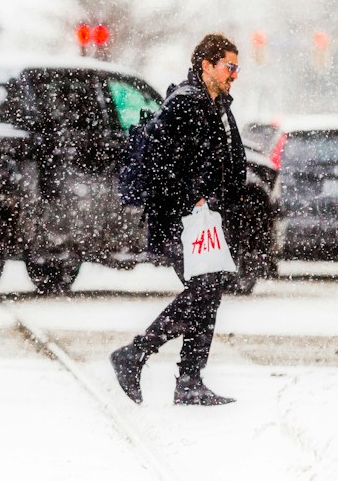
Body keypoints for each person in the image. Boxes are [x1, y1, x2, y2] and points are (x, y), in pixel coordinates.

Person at [111, 33, 246, 407]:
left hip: (203, 219)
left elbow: (224, 160)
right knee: (204, 289)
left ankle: (189, 380)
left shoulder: (216, 104)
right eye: (229, 67)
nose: (235, 74)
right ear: (207, 65)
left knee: (209, 290)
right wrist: (193, 197)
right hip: (179, 219)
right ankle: (136, 355)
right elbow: (160, 164)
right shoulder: (185, 104)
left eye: (237, 68)